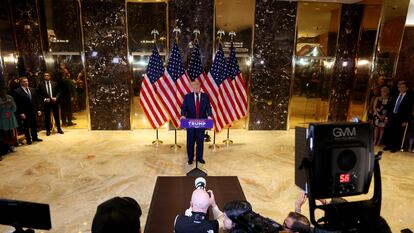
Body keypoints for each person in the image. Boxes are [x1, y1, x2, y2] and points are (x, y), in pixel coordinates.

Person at [181, 79, 212, 165]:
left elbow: (208, 107)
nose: (195, 87)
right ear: (192, 87)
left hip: (201, 123)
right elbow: (184, 108)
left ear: (200, 86)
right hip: (190, 123)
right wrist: (183, 115)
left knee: (200, 141)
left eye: (197, 85)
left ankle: (200, 158)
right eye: (193, 85)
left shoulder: (205, 96)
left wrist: (209, 116)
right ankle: (190, 158)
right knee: (190, 141)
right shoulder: (187, 97)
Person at [12, 77, 42, 145]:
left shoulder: (32, 89)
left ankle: (35, 137)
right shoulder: (17, 91)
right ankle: (28, 139)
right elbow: (17, 103)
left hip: (33, 110)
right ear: (21, 83)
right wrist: (20, 113)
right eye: (24, 81)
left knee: (34, 125)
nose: (26, 82)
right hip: (25, 112)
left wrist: (38, 109)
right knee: (26, 126)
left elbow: (36, 101)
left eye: (27, 81)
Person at [384, 81, 412, 152]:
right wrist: (387, 116)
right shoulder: (395, 94)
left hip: (400, 118)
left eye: (403, 87)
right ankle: (389, 145)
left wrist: (406, 120)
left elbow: (408, 110)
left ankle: (394, 147)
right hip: (392, 115)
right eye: (400, 87)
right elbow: (390, 106)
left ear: (406, 88)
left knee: (397, 132)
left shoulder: (408, 98)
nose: (401, 89)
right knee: (390, 130)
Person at [0, 88, 19, 158]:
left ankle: (11, 146)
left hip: (10, 116)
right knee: (4, 133)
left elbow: (14, 108)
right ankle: (5, 148)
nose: (3, 92)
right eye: (1, 91)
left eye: (4, 90)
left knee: (12, 132)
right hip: (2, 118)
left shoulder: (10, 97)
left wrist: (10, 105)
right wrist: (3, 105)